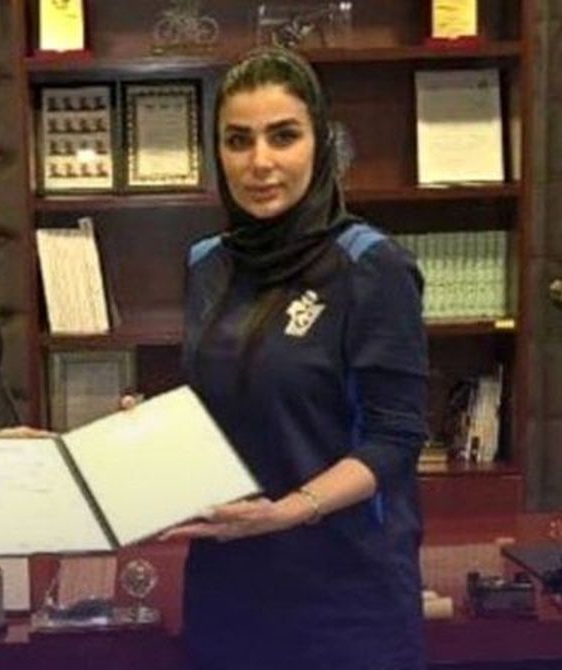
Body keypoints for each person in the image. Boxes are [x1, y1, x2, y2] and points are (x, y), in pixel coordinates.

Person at [169, 47, 428, 669]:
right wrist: (147, 431)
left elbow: (396, 439)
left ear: (321, 144)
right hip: (226, 583)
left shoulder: (372, 265)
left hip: (343, 597)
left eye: (283, 136)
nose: (259, 162)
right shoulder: (207, 263)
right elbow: (221, 403)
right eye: (238, 140)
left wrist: (289, 511)